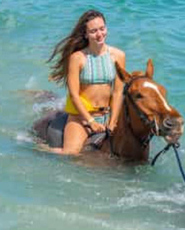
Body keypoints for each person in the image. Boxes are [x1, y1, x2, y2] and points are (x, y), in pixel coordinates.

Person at [47, 9, 126, 154]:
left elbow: (117, 92)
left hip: (107, 116)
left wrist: (113, 121)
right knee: (70, 154)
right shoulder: (77, 58)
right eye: (94, 31)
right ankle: (39, 149)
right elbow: (74, 95)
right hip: (81, 118)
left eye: (102, 29)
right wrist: (90, 121)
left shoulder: (118, 56)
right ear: (86, 34)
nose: (99, 34)